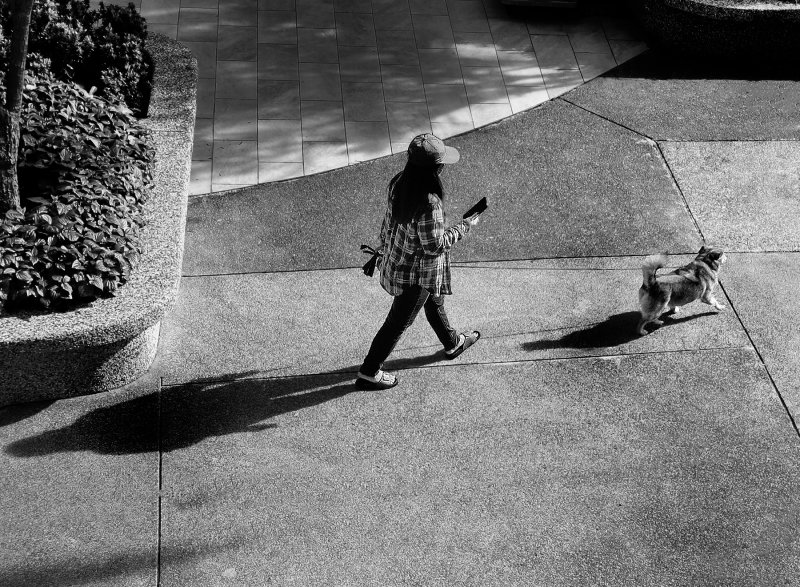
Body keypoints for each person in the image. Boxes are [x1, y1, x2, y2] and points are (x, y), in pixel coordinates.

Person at [356, 133, 482, 390]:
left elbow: (388, 222)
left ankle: (452, 342)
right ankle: (369, 371)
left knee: (433, 300)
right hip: (416, 273)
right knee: (397, 323)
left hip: (399, 260)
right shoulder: (429, 203)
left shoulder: (399, 183)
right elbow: (434, 245)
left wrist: (384, 246)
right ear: (436, 168)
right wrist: (465, 226)